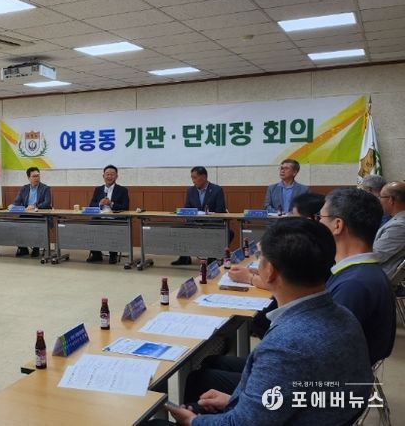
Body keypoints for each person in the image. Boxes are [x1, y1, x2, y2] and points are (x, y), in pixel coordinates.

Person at [157, 218, 373, 426]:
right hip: (317, 414)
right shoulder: (344, 315)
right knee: (203, 376)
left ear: (269, 271)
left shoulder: (286, 346)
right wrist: (237, 401)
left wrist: (193, 421)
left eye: (260, 257)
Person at [320, 187, 396, 366]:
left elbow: (326, 352)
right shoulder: (361, 273)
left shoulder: (353, 285)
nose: (318, 224)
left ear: (337, 225)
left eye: (320, 218)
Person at [172, 166, 227, 266]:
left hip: (212, 224)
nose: (193, 181)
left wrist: (207, 220)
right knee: (178, 228)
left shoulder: (217, 190)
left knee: (228, 233)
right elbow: (187, 209)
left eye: (195, 178)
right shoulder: (190, 191)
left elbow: (220, 211)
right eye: (192, 178)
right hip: (194, 223)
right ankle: (184, 257)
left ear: (204, 177)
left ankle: (212, 257)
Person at [86, 165, 129, 264]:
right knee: (90, 225)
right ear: (103, 176)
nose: (109, 177)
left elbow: (125, 206)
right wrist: (100, 204)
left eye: (112, 174)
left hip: (115, 218)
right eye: (107, 174)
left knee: (113, 227)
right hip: (100, 217)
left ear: (116, 176)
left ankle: (113, 254)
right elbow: (91, 205)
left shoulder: (122, 190)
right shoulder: (98, 189)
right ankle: (96, 254)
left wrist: (111, 204)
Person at [11, 166, 52, 257]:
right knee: (17, 224)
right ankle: (23, 248)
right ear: (29, 178)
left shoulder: (45, 188)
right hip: (26, 214)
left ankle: (36, 248)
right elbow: (17, 201)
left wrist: (34, 206)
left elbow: (47, 203)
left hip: (40, 215)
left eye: (38, 176)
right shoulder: (24, 188)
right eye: (34, 176)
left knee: (35, 225)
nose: (37, 178)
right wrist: (13, 206)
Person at [374, 181, 405, 279]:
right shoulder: (397, 220)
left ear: (391, 200)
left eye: (381, 197)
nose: (379, 200)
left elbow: (376, 256)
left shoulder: (399, 226)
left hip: (379, 276)